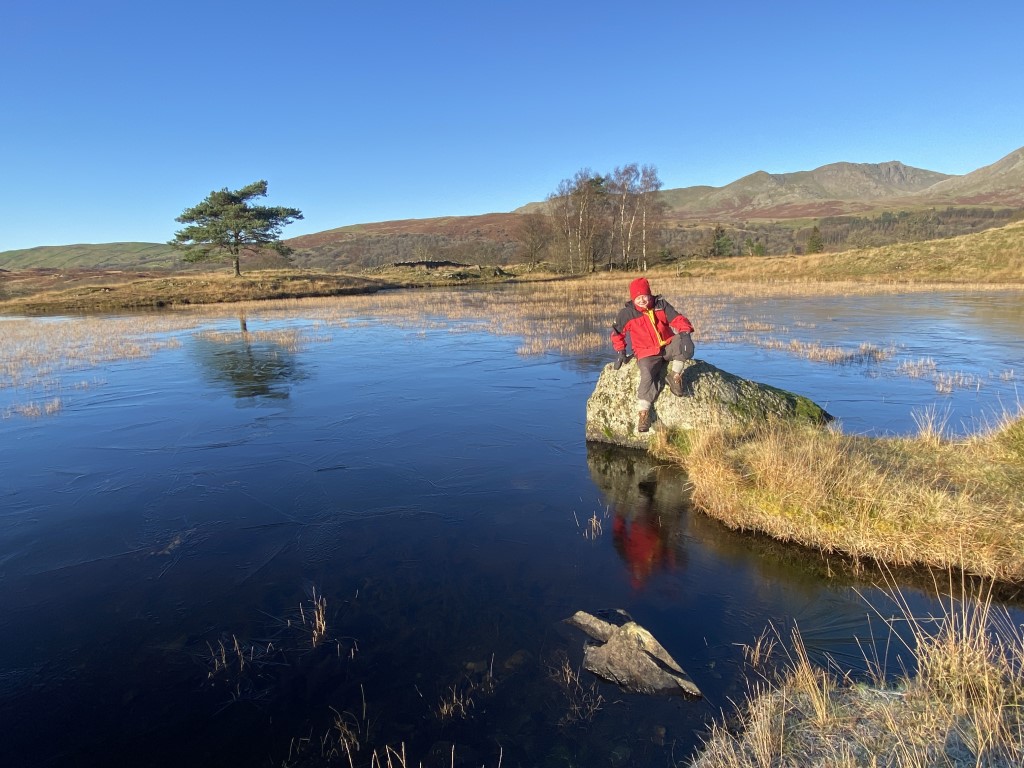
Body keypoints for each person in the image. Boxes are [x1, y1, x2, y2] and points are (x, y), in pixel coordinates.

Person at [610, 277, 695, 433]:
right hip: (646, 352)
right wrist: (621, 351)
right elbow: (617, 333)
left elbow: (677, 319)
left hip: (667, 346)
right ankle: (643, 413)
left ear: (649, 295)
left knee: (681, 342)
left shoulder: (660, 305)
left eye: (644, 296)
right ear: (633, 299)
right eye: (638, 298)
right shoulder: (627, 313)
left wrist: (686, 334)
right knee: (648, 375)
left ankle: (675, 376)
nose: (642, 300)